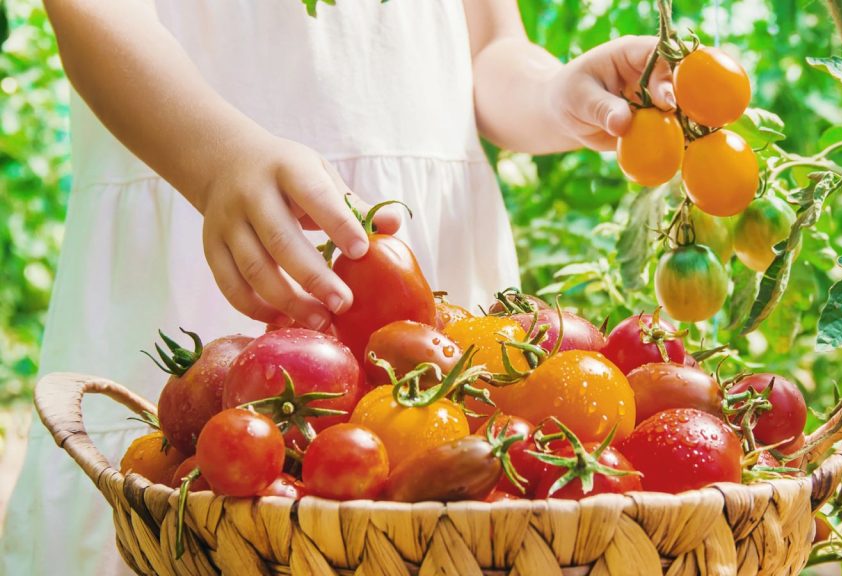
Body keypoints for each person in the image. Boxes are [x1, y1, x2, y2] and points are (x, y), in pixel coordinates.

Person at [0, 1, 675, 574]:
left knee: (446, 522)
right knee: (178, 508)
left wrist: (555, 94)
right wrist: (215, 159)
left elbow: (491, 50)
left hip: (420, 265)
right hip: (196, 189)